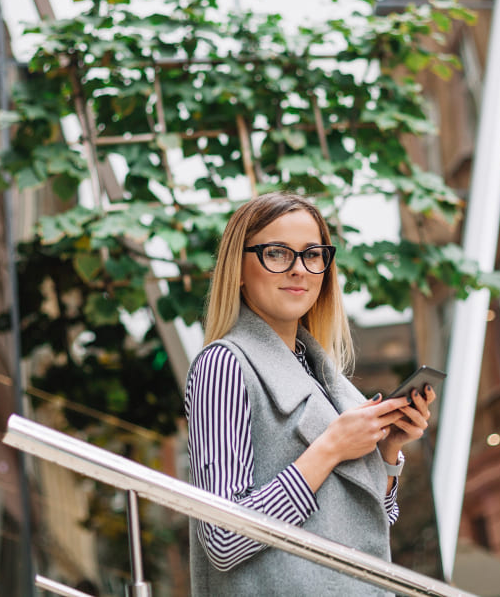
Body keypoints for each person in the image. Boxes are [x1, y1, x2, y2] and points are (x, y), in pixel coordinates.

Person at [185, 192, 435, 596]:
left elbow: (369, 524)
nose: (299, 269)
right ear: (239, 270)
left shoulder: (323, 375)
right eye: (277, 253)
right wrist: (331, 447)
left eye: (312, 254)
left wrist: (387, 452)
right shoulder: (224, 364)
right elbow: (223, 537)